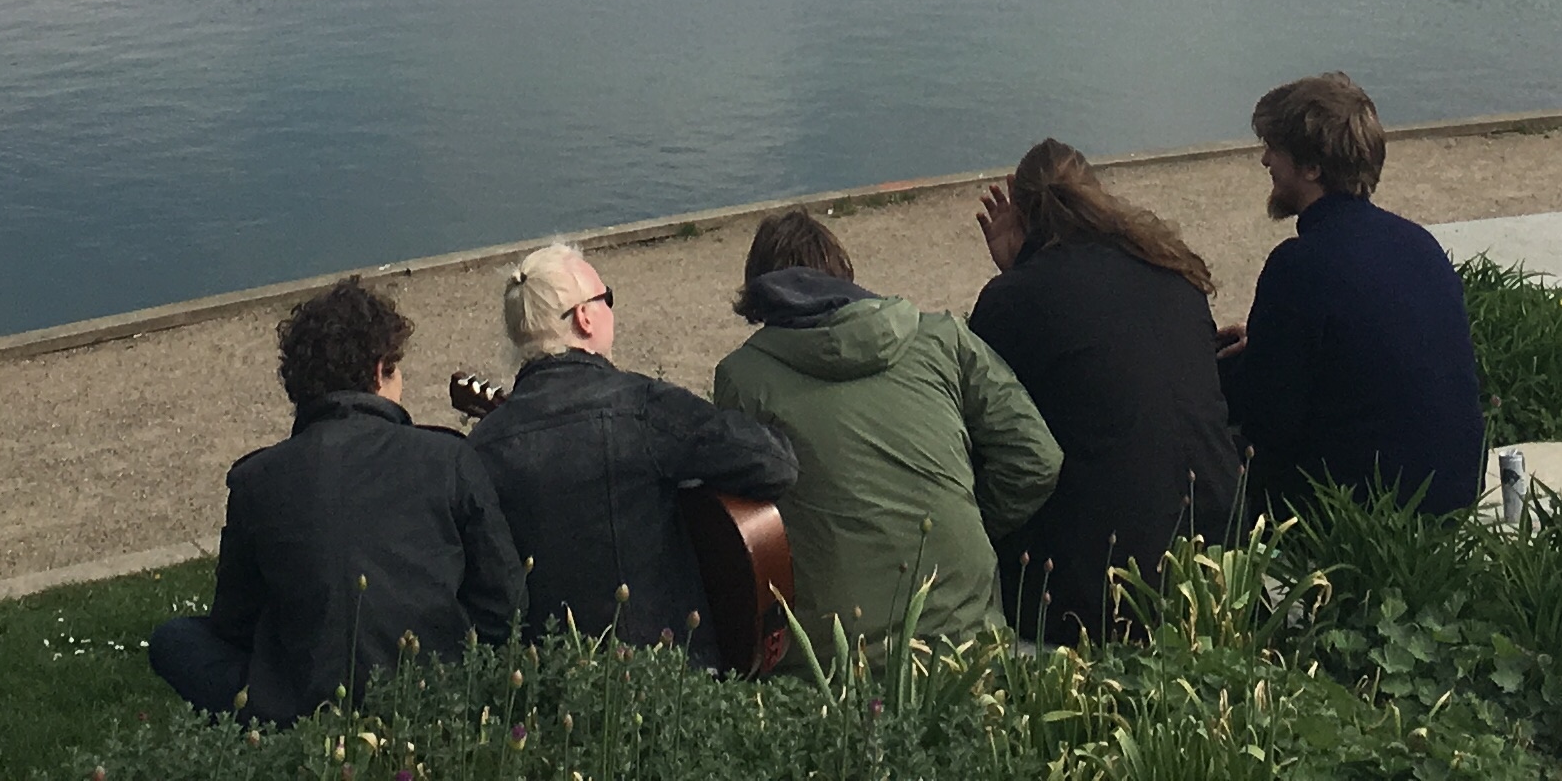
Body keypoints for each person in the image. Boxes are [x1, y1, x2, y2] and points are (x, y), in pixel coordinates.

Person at [147, 276, 521, 721]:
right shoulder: (448, 458)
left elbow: (235, 625)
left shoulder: (257, 480)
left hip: (300, 704)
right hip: (433, 690)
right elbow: (504, 603)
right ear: (381, 370)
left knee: (175, 639)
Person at [711, 208, 1058, 647]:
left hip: (833, 652)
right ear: (845, 277)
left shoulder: (743, 378)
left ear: (761, 296)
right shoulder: (941, 337)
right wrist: (965, 519)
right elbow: (1037, 457)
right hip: (965, 636)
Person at [468, 240, 799, 654]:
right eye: (606, 298)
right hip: (663, 670)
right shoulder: (644, 409)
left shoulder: (480, 448)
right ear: (584, 318)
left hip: (546, 680)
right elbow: (775, 463)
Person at [968, 140, 1242, 638]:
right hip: (1216, 554)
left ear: (1027, 215)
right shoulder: (1173, 270)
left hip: (1097, 586)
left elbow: (990, 435)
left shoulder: (1013, 302)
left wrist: (1016, 273)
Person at [1216, 73, 1486, 513]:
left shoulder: (1299, 264)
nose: (1265, 160)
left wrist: (1221, 368)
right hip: (1451, 490)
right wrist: (1270, 344)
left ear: (1311, 167)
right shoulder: (1418, 243)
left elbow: (1268, 418)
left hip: (1361, 510)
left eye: (1273, 148)